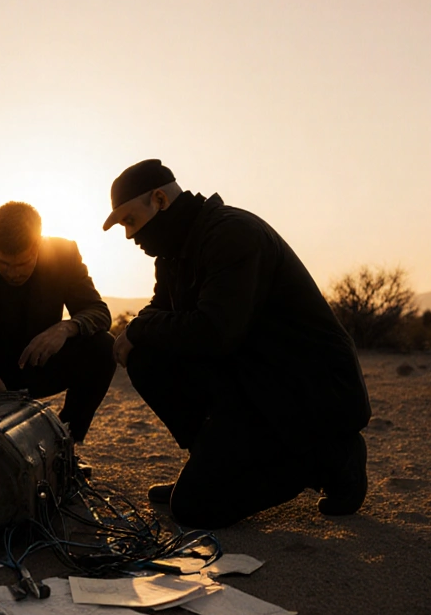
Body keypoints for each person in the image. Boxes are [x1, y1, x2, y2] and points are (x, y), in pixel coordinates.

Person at [103, 159, 371, 528]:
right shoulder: (175, 252)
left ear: (160, 200)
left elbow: (215, 331)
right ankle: (207, 463)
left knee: (195, 509)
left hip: (309, 394)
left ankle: (330, 458)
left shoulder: (231, 234)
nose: (130, 236)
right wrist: (136, 330)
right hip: (252, 382)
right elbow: (161, 309)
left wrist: (139, 329)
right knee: (147, 357)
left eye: (130, 220)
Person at [0, 202, 115, 444]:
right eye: (3, 263)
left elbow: (98, 311)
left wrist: (65, 328)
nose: (13, 273)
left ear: (38, 244)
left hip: (34, 367)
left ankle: (65, 443)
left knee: (103, 347)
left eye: (22, 263)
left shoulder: (64, 255)